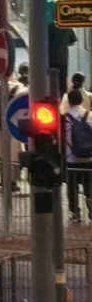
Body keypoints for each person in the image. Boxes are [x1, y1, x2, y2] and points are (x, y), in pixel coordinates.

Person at [65, 88, 92, 223]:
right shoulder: (90, 115)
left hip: (71, 159)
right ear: (82, 100)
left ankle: (75, 212)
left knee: (72, 187)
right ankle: (90, 201)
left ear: (69, 102)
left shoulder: (64, 119)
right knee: (90, 184)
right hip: (89, 158)